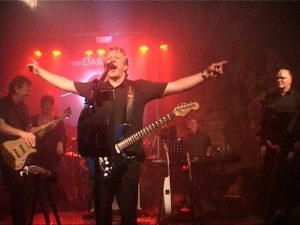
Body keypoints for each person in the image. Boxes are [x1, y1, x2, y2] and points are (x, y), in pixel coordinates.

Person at [28, 46, 228, 225]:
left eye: (116, 56)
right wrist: (39, 71)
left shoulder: (138, 88)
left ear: (126, 65)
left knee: (128, 215)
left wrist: (205, 74)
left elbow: (175, 85)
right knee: (102, 215)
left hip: (129, 163)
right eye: (108, 56)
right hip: (102, 163)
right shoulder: (96, 89)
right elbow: (65, 84)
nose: (111, 58)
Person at [0, 76, 57, 225]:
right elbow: (1, 125)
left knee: (24, 197)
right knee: (16, 196)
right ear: (16, 89)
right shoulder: (3, 104)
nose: (29, 92)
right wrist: (21, 133)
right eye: (27, 88)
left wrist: (46, 126)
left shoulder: (24, 108)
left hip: (23, 157)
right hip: (7, 155)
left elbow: (29, 130)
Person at [259, 69, 300, 225]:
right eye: (277, 77)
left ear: (290, 80)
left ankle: (285, 215)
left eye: (282, 77)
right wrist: (264, 143)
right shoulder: (270, 98)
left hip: (290, 149)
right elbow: (264, 123)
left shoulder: (297, 99)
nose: (279, 80)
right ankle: (269, 216)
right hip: (272, 147)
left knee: (288, 181)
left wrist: (295, 146)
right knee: (270, 181)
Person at [181, 117, 213, 219]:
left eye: (195, 122)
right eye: (191, 122)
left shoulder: (204, 135)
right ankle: (195, 208)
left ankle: (200, 208)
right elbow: (180, 151)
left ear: (197, 124)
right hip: (190, 165)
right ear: (187, 124)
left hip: (201, 164)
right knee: (192, 187)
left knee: (200, 186)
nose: (193, 124)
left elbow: (209, 145)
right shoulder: (183, 137)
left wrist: (207, 154)